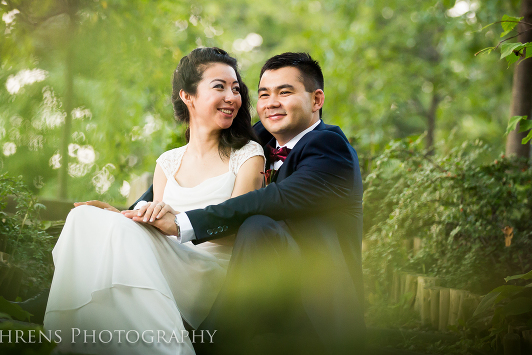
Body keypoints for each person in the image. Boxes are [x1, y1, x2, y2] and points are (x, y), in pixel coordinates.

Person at [127, 52, 365, 354]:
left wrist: (181, 223)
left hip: (314, 303)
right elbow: (181, 168)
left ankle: (212, 342)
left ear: (317, 100)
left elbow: (272, 199)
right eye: (264, 94)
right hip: (262, 289)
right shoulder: (262, 136)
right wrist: (135, 210)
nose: (270, 103)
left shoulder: (330, 148)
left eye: (285, 92)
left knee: (257, 226)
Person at [42, 47, 265, 354]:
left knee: (118, 234)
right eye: (219, 87)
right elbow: (153, 225)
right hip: (163, 261)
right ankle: (80, 341)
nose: (232, 97)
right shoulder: (168, 162)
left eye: (236, 89)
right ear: (188, 96)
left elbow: (242, 228)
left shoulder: (248, 155)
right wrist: (122, 215)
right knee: (83, 218)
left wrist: (173, 222)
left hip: (208, 271)